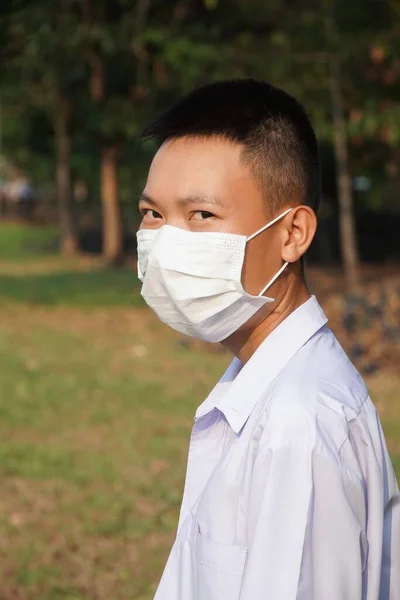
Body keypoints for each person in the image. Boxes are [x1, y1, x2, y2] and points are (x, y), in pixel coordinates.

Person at [136, 79, 400, 600]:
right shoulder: (266, 384)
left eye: (202, 216)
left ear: (293, 233)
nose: (167, 243)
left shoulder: (297, 426)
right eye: (153, 215)